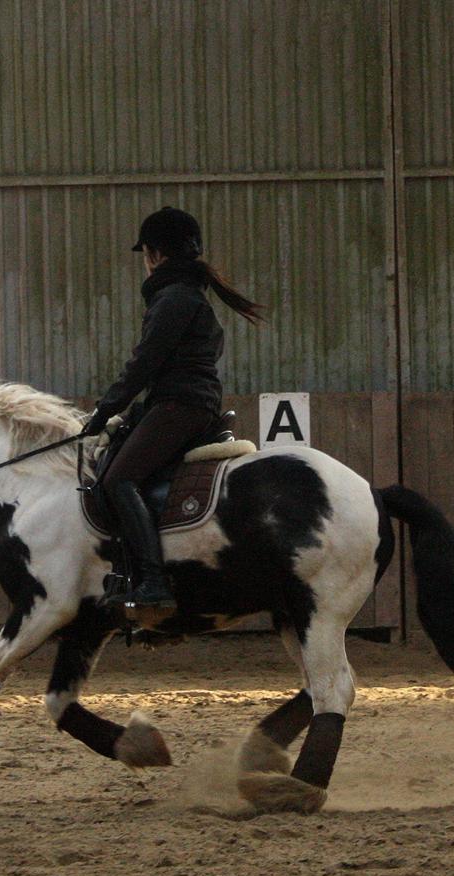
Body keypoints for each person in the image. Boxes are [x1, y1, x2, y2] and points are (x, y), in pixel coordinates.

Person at [82, 207, 265, 610]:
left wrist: (102, 411)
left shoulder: (174, 299)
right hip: (184, 402)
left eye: (145, 256)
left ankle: (153, 582)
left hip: (181, 405)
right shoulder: (187, 298)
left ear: (155, 254)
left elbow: (143, 364)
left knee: (117, 480)